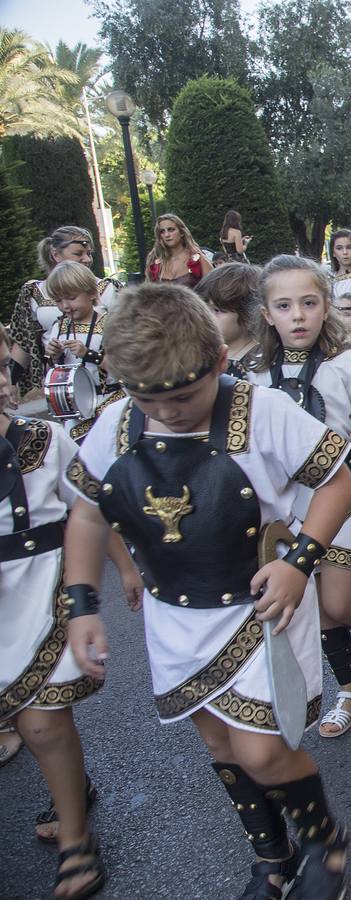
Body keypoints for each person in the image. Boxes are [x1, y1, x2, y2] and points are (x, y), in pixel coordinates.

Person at [63, 282, 351, 898]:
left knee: (263, 752)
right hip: (175, 617)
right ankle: (271, 857)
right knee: (220, 743)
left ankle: (321, 841)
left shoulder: (264, 411)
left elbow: (336, 482)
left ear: (219, 361)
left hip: (262, 606)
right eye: (148, 399)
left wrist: (299, 563)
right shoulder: (117, 423)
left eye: (184, 396)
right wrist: (82, 605)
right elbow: (89, 513)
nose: (167, 412)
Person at [247, 256, 351, 741]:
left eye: (309, 303)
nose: (297, 315)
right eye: (284, 305)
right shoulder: (253, 372)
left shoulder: (348, 361)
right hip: (283, 506)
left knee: (336, 604)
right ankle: (349, 690)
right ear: (268, 313)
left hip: (343, 496)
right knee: (309, 603)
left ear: (325, 307)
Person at [0, 322, 126, 899]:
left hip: (42, 588)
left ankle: (76, 840)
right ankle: (72, 785)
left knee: (41, 720)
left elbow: (94, 506)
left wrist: (124, 570)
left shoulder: (45, 443)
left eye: (3, 369)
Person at [6, 226, 121, 397]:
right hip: (64, 389)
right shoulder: (33, 292)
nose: (87, 259)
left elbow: (126, 348)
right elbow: (24, 341)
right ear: (55, 255)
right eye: (78, 253)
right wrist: (11, 382)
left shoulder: (108, 288)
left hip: (106, 389)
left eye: (89, 253)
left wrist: (89, 354)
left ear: (91, 294)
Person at [40, 262, 115, 442]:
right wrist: (53, 356)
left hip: (110, 402)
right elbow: (53, 371)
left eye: (71, 298)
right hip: (75, 410)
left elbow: (123, 368)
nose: (65, 305)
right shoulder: (59, 325)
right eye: (58, 300)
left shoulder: (110, 323)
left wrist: (88, 354)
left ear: (91, 293)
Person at [197, 262, 262, 380]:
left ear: (249, 314)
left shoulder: (263, 366)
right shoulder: (200, 359)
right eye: (204, 308)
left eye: (217, 310)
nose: (207, 317)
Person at [146, 213, 213, 288]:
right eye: (162, 231)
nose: (167, 235)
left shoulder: (198, 260)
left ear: (181, 232)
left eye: (171, 230)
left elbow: (214, 291)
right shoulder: (155, 265)